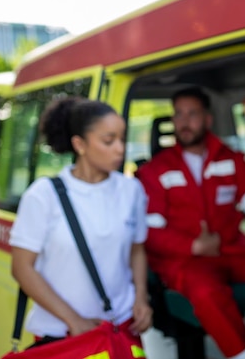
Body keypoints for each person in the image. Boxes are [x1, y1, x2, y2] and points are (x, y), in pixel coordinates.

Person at [135, 87, 245, 359]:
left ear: (207, 119)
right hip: (183, 261)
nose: (184, 121)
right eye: (178, 114)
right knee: (206, 293)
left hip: (231, 250)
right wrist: (193, 246)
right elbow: (148, 232)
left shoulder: (228, 158)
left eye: (192, 114)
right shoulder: (154, 170)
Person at [9, 97, 152, 349]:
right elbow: (22, 268)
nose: (120, 149)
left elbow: (136, 250)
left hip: (121, 329)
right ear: (79, 144)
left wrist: (141, 298)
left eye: (122, 138)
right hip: (62, 336)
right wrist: (73, 320)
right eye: (109, 141)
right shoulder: (44, 195)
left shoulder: (132, 191)